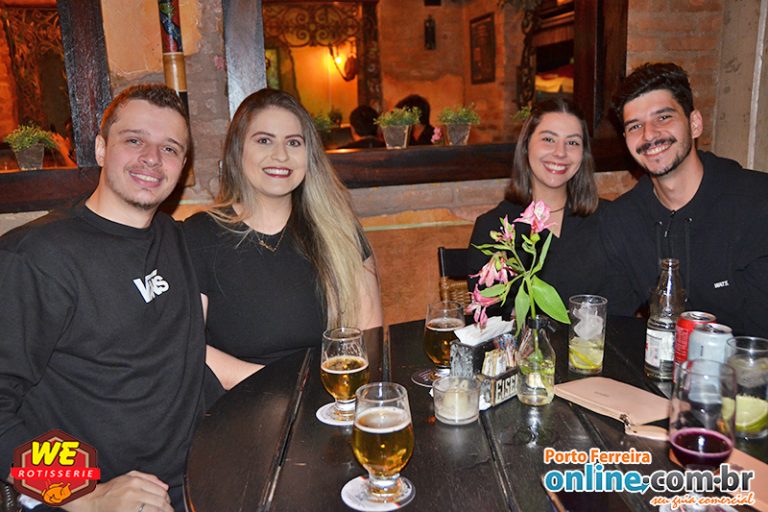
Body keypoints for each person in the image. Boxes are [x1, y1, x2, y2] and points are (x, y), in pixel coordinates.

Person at [0, 84, 204, 511]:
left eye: (170, 148)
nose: (152, 158)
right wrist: (86, 495)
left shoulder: (174, 238)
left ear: (183, 166)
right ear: (100, 148)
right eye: (134, 141)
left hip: (196, 479)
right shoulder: (37, 257)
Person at [183, 89, 383, 395]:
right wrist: (285, 385)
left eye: (293, 142)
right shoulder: (200, 235)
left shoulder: (339, 232)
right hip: (238, 404)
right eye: (264, 140)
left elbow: (368, 341)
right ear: (238, 150)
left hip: (324, 402)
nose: (281, 155)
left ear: (309, 155)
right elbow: (189, 347)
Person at [603, 62, 768, 336]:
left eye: (663, 118)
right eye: (635, 126)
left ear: (694, 124)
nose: (649, 134)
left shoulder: (757, 203)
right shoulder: (623, 219)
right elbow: (610, 314)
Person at [468, 97, 609, 316]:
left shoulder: (609, 220)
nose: (560, 152)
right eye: (548, 139)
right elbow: (491, 314)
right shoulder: (494, 228)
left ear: (583, 154)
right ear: (526, 146)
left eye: (572, 142)